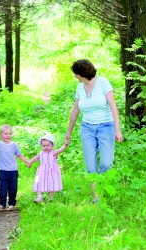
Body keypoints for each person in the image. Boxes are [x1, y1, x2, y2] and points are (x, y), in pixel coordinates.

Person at [65, 59, 123, 203]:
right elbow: (75, 111)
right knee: (90, 165)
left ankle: (103, 187)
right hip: (87, 129)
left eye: (76, 74)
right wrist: (68, 132)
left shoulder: (103, 83)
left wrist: (117, 129)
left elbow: (113, 107)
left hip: (106, 127)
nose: (75, 77)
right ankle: (97, 197)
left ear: (83, 73)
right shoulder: (80, 87)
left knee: (106, 163)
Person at [0, 124, 29, 211]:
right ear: (0, 135)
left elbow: (19, 155)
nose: (8, 135)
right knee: (2, 188)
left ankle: (12, 204)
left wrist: (27, 161)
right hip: (2, 171)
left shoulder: (14, 145)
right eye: (5, 134)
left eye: (10, 134)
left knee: (13, 188)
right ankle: (2, 204)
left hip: (13, 171)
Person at [27, 134, 68, 203]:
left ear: (52, 145)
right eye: (44, 146)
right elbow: (36, 158)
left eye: (48, 145)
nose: (46, 147)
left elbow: (61, 150)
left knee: (51, 185)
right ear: (41, 146)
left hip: (51, 172)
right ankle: (39, 197)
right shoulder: (41, 153)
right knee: (38, 182)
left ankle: (50, 199)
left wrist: (66, 144)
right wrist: (30, 162)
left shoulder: (53, 153)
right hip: (42, 172)